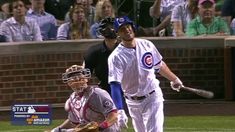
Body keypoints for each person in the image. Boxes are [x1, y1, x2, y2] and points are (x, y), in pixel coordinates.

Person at [108, 16, 184, 132]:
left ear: (132, 27)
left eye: (128, 26)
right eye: (122, 29)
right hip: (132, 101)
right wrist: (119, 109)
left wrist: (174, 79)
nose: (127, 30)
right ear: (118, 34)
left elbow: (159, 65)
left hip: (152, 96)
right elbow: (115, 84)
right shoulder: (116, 57)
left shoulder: (147, 44)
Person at [83, 17, 128, 130]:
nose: (111, 30)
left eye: (113, 27)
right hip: (105, 90)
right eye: (108, 27)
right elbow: (85, 75)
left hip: (127, 90)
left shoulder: (126, 49)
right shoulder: (94, 52)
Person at [51, 65, 120, 132]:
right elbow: (73, 121)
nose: (77, 80)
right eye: (74, 79)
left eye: (80, 78)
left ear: (86, 79)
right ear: (69, 83)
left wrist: (100, 128)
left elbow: (113, 115)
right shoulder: (72, 99)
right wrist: (57, 129)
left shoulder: (97, 94)